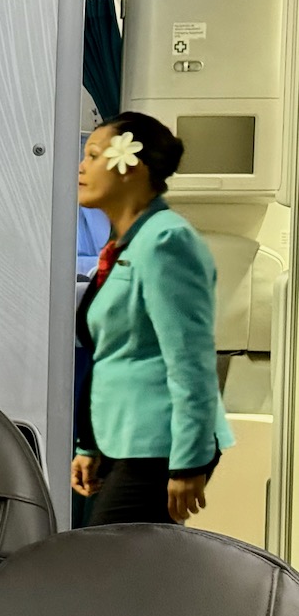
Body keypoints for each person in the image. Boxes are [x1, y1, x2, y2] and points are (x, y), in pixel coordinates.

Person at [70, 111, 234, 524]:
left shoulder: (166, 241)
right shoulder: (129, 243)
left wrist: (188, 463)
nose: (81, 166)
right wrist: (89, 446)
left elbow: (190, 358)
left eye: (93, 155)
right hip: (122, 437)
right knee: (121, 569)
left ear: (133, 168)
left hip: (161, 443)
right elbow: (110, 354)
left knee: (111, 568)